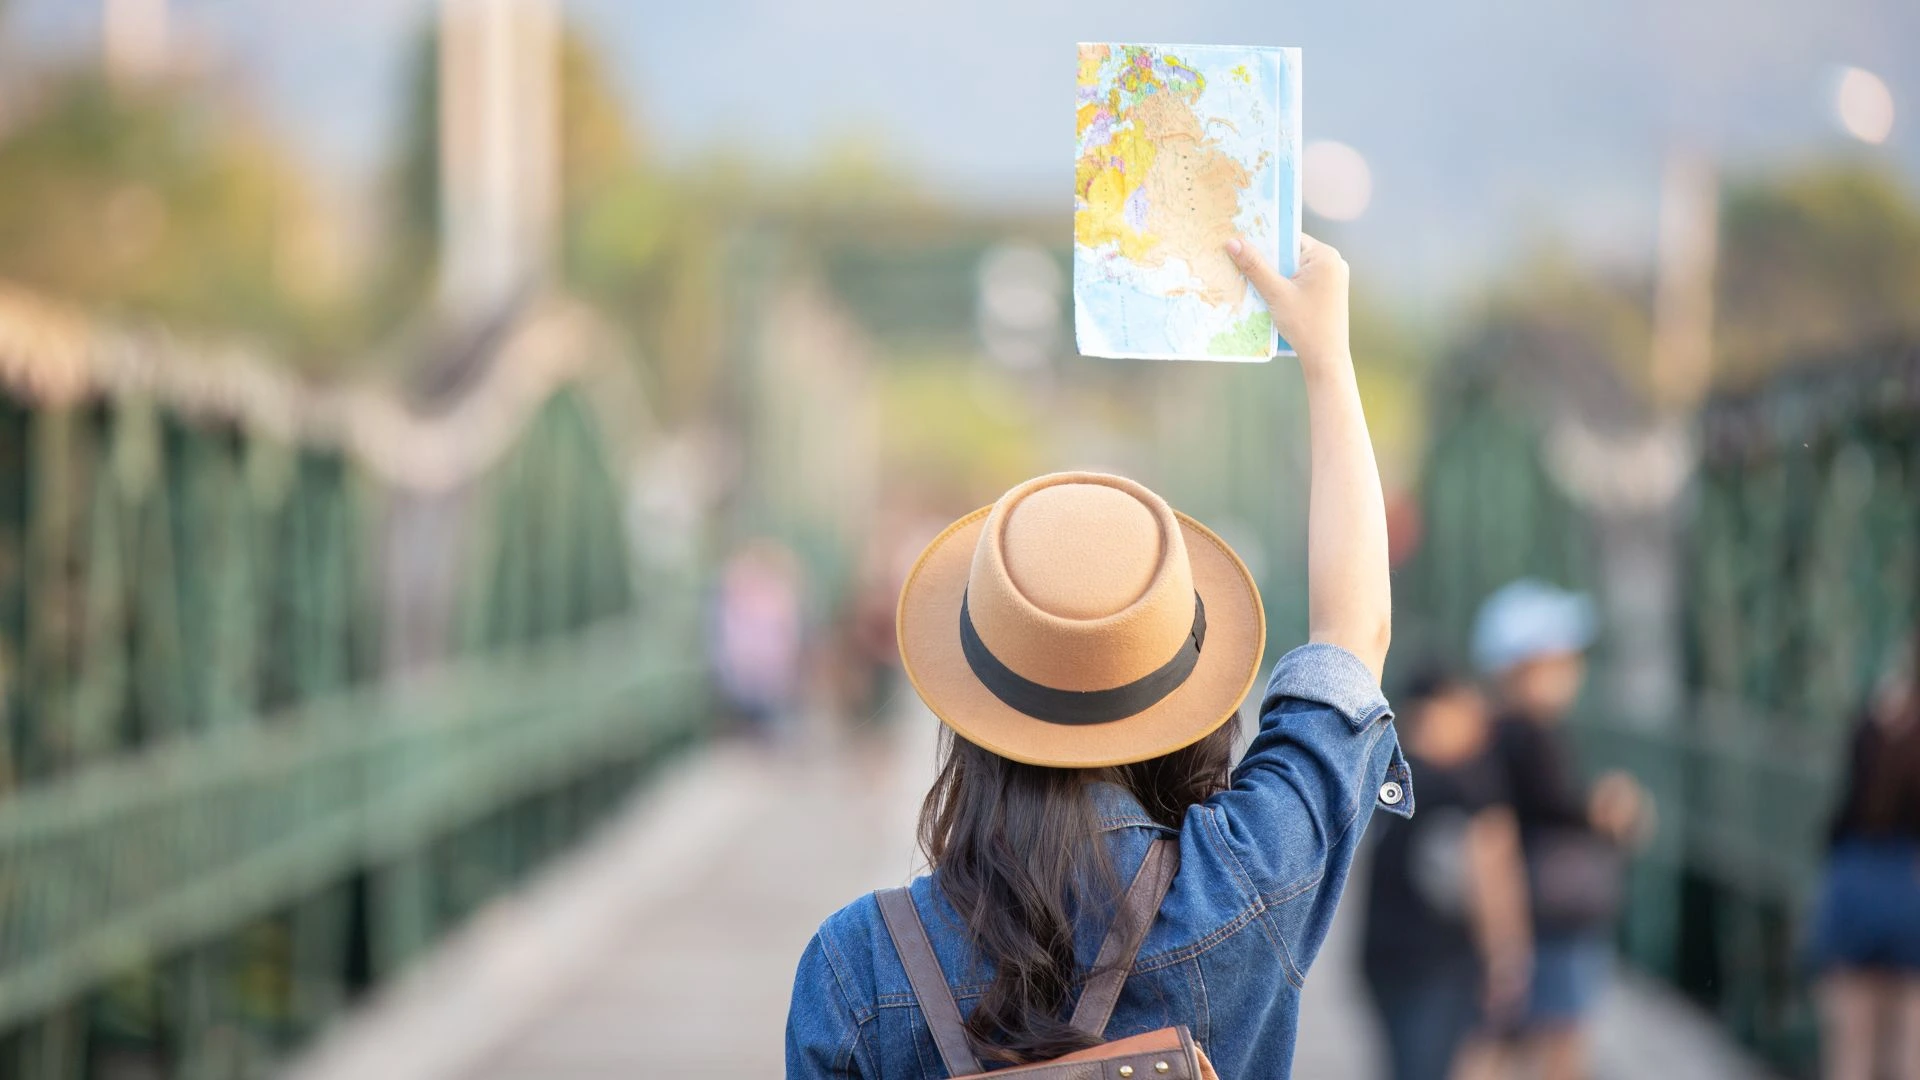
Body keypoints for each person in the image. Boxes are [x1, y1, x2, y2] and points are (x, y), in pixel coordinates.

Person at [786, 234, 1407, 1077]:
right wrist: (1328, 359)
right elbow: (1352, 632)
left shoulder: (855, 964)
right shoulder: (1245, 883)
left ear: (975, 698)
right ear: (1183, 696)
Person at [1471, 579, 1649, 1080]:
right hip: (1547, 911)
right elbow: (1559, 807)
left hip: (1530, 908)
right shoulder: (1528, 733)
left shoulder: (1500, 729)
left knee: (1510, 1040)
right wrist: (1611, 809)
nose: (1574, 669)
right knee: (1559, 1041)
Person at [1362, 667, 1529, 1080]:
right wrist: (1506, 960)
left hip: (1382, 959)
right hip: (1439, 965)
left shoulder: (1386, 774)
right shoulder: (1467, 785)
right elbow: (1490, 874)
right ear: (1437, 712)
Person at [1808, 636, 1920, 1080]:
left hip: (1856, 883)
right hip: (1911, 887)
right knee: (1910, 1053)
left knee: (1850, 1054)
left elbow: (1844, 808)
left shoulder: (1875, 717)